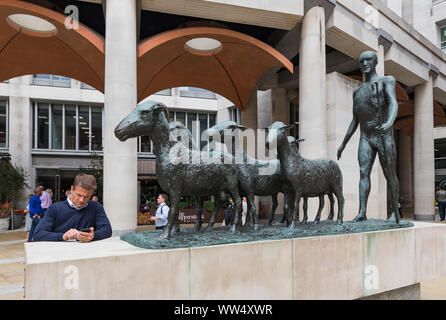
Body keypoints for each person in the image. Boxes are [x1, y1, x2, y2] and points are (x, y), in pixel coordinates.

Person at [337, 51, 400, 223]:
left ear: (375, 62)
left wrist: (388, 123)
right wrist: (343, 143)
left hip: (382, 134)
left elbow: (393, 102)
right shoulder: (357, 91)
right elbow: (355, 120)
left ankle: (395, 211)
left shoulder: (387, 81)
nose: (365, 63)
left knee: (389, 173)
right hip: (366, 137)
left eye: (368, 60)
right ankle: (362, 211)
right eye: (361, 61)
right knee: (363, 172)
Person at [32, 174, 112, 242]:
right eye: (79, 195)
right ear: (72, 189)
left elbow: (107, 230)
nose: (81, 200)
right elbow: (38, 234)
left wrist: (93, 236)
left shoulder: (96, 207)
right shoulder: (55, 208)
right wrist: (63, 236)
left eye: (87, 197)